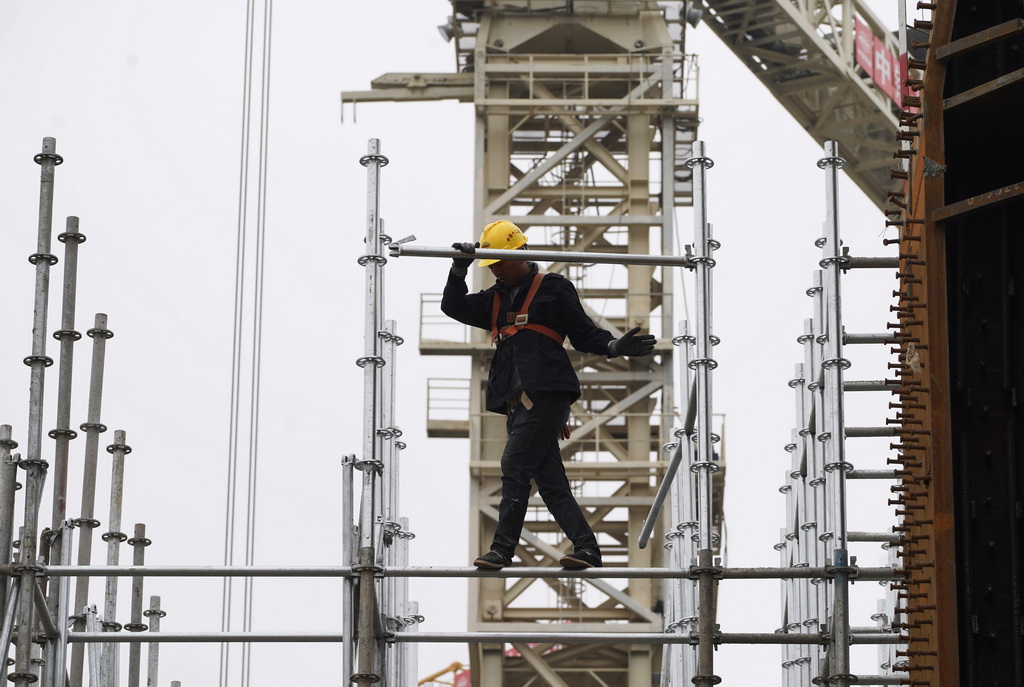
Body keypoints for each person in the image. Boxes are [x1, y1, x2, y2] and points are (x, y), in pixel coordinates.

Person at [441, 220, 656, 570]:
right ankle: (587, 548)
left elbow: (583, 334)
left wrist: (614, 346)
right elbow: (453, 306)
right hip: (516, 405)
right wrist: (458, 270)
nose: (496, 270)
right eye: (491, 265)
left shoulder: (553, 288)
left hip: (547, 395)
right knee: (551, 482)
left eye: (500, 262)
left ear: (522, 253)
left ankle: (502, 549)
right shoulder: (494, 300)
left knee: (514, 465)